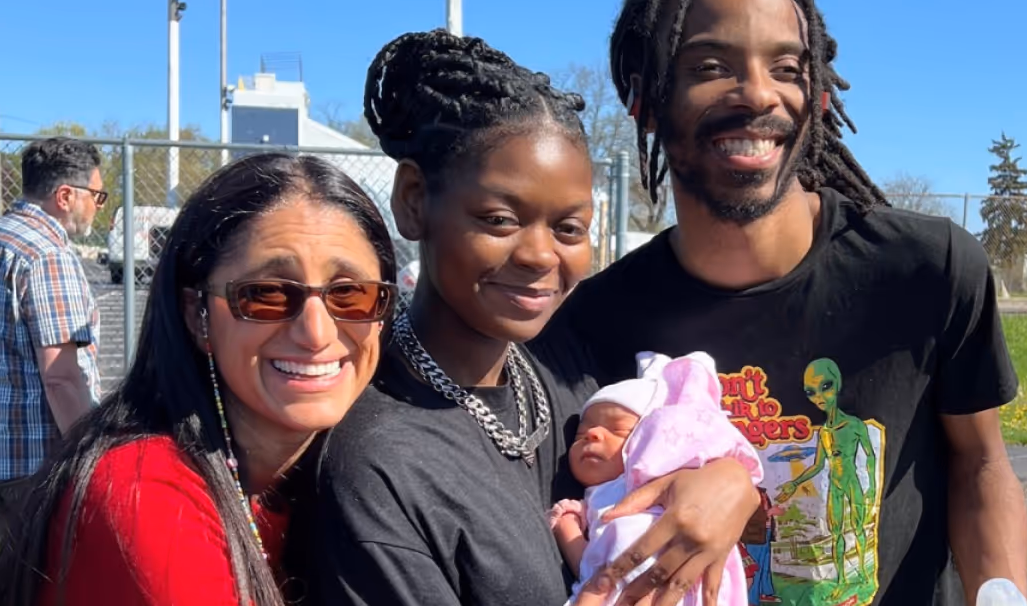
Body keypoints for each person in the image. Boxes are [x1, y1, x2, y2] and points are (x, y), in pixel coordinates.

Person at [533, 0, 1027, 605]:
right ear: (645, 100)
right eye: (712, 66)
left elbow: (981, 461)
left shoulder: (928, 271)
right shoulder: (590, 324)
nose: (760, 93)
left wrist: (1003, 592)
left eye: (787, 67)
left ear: (817, 92)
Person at [292, 29, 759, 606]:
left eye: (568, 228)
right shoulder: (377, 464)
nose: (541, 255)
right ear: (414, 200)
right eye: (499, 219)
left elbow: (678, 471)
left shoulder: (567, 374)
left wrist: (731, 484)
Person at [0, 152, 399, 606]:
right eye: (267, 294)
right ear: (198, 315)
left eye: (351, 293)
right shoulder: (146, 497)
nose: (317, 333)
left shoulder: (341, 472)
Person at [0, 136, 106, 540]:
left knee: (19, 579)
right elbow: (62, 379)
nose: (98, 208)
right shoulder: (48, 255)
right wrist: (92, 461)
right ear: (66, 195)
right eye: (97, 195)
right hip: (36, 465)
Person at [550, 351, 761, 606]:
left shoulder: (679, 484)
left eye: (617, 429)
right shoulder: (592, 504)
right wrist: (567, 528)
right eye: (580, 433)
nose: (592, 433)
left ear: (652, 441)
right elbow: (590, 565)